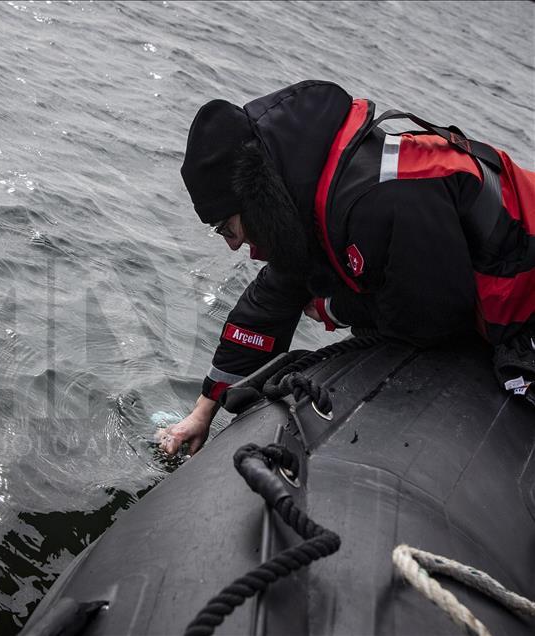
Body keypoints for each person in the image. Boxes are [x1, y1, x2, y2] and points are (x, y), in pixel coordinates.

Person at [157, 79, 534, 457]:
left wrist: (335, 307)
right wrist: (203, 411)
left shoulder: (379, 198)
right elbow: (269, 302)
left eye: (228, 228)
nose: (234, 244)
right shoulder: (299, 202)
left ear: (255, 202)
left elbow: (433, 319)